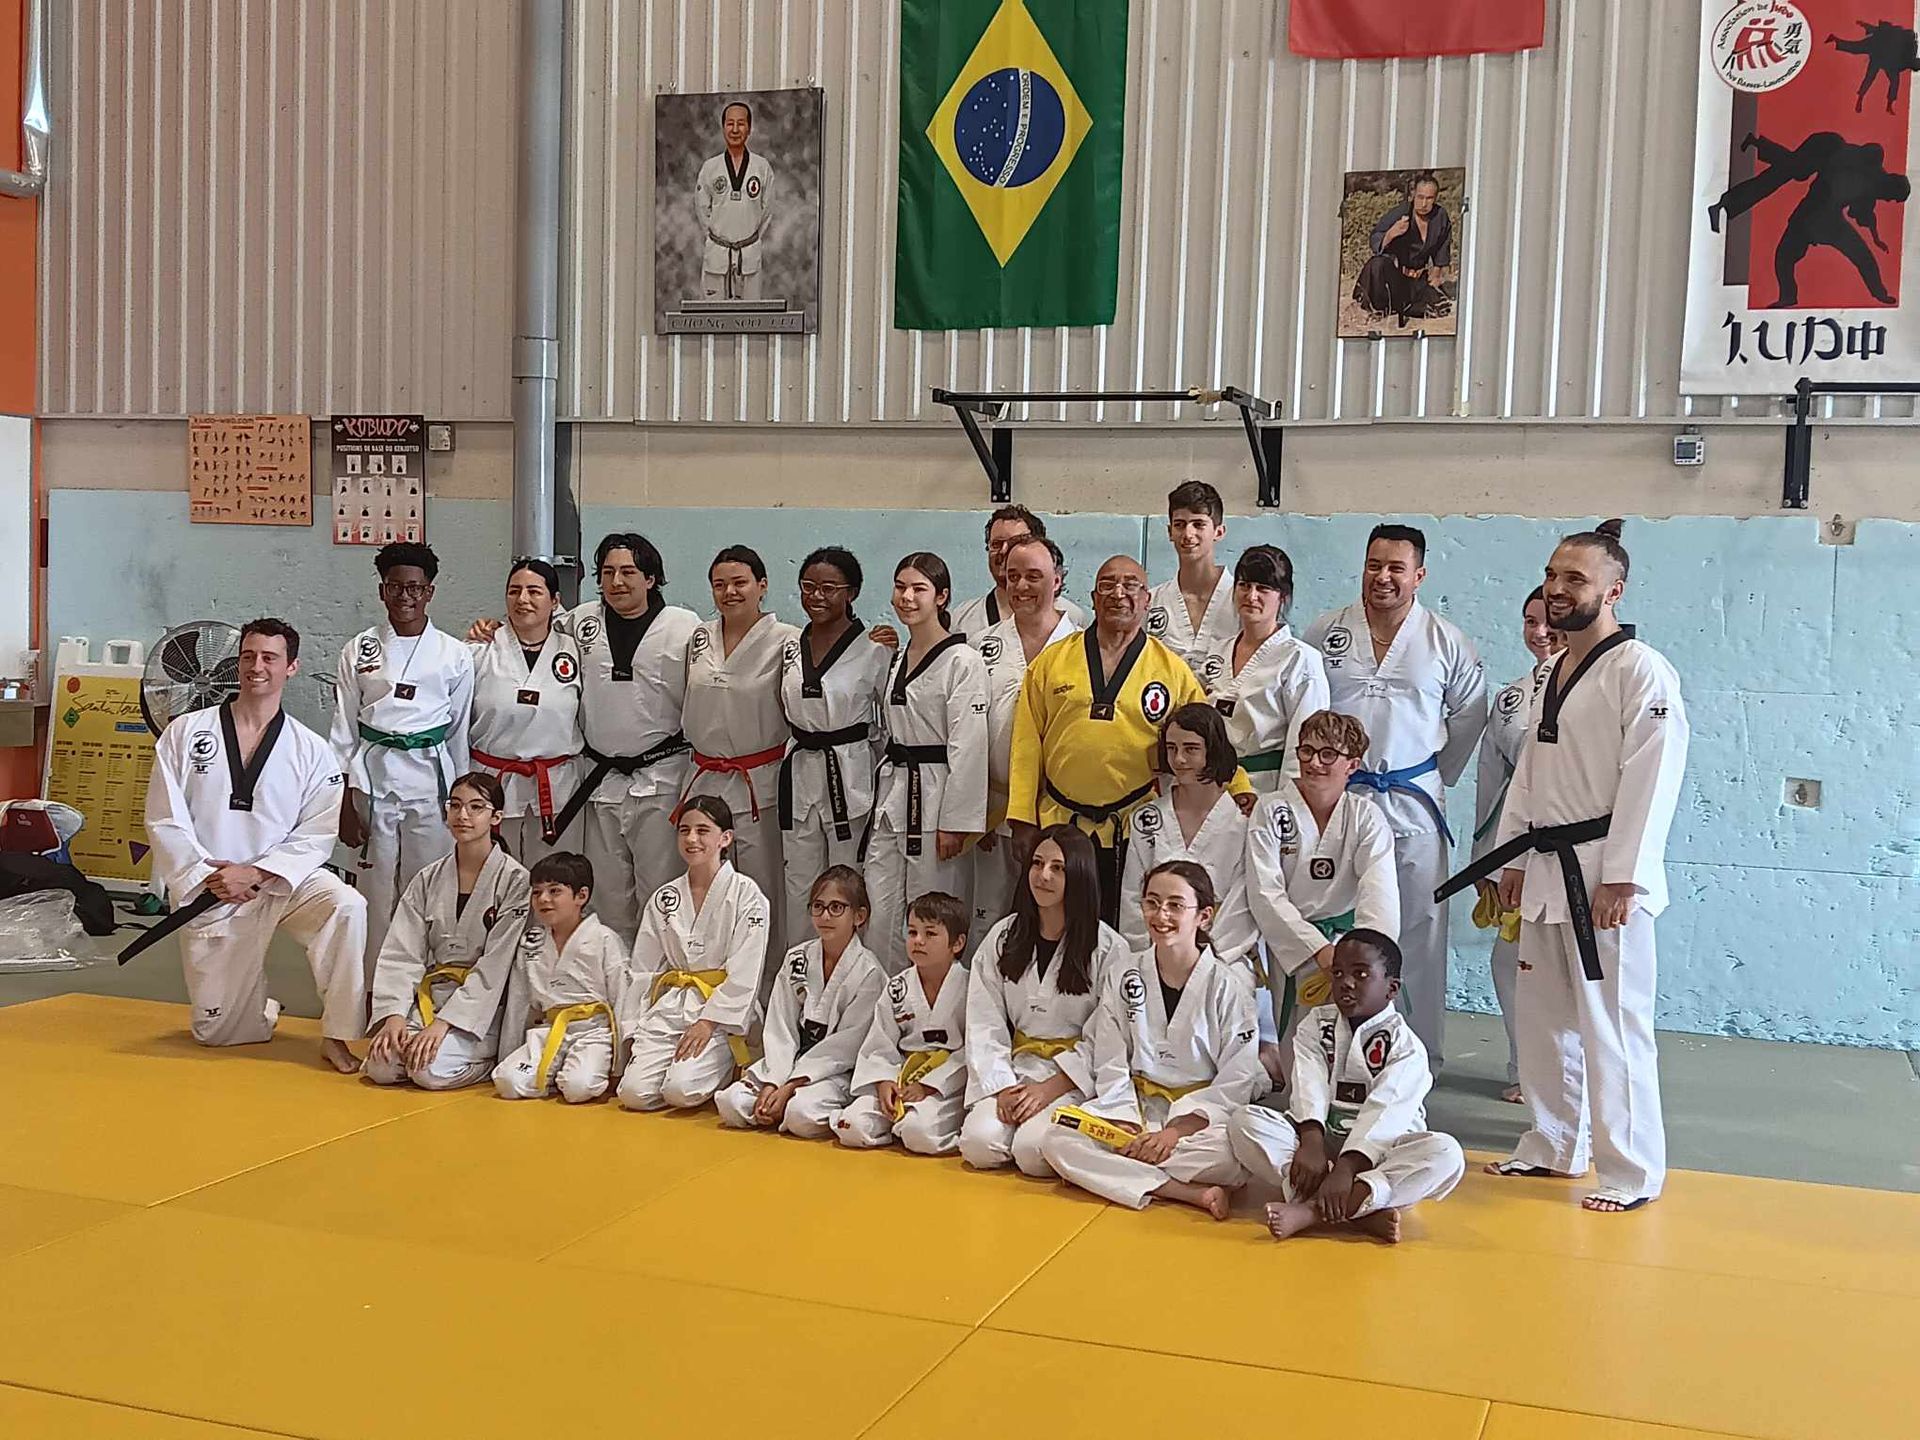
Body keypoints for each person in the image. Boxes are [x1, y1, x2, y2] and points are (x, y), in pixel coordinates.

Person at [1441, 521, 1689, 1214]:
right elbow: (1531, 772)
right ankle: (1554, 1143)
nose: (1557, 589)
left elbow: (1654, 778)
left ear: (1613, 590)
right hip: (1547, 867)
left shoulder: (1641, 670)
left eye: (1573, 579)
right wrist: (1512, 854)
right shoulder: (1552, 670)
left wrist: (1625, 876)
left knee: (1612, 1022)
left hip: (1603, 873)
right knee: (1543, 1013)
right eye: (1552, 576)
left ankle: (1633, 1171)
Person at [144, 617, 366, 1072]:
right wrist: (207, 875)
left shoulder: (311, 749)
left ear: (292, 668)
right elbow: (165, 817)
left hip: (282, 882)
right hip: (214, 888)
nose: (256, 667)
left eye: (269, 658)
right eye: (248, 656)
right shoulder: (186, 733)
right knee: (218, 1034)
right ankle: (259, 1009)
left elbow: (317, 831)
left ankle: (339, 1033)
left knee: (347, 906)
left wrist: (259, 872)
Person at [1303, 524, 1486, 1065]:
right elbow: (1308, 710)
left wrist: (1432, 773)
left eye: (1395, 568)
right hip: (1342, 801)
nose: (1382, 577)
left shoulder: (1445, 640)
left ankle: (1419, 1055)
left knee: (1421, 931)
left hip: (1412, 798)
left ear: (1419, 575)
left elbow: (1470, 715)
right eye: (1373, 565)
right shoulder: (1326, 631)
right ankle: (1337, 1050)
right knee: (1339, 922)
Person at [1008, 554, 1226, 924]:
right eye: (1107, 585)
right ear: (1093, 598)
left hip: (1133, 824)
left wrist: (1238, 789)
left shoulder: (1171, 669)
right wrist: (1022, 818)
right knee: (1046, 927)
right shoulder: (1053, 661)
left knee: (1124, 931)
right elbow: (1027, 744)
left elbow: (1207, 736)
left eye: (1130, 585)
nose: (1118, 593)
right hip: (1060, 821)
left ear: (1147, 600)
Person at [1042, 861, 1264, 1219]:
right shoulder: (1124, 973)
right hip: (1135, 1111)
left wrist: (1175, 1132)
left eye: (1176, 905)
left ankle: (1127, 1175)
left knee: (1230, 1158)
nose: (1161, 915)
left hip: (1194, 1124)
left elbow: (1235, 1084)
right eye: (1152, 902)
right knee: (1058, 1140)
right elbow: (1110, 1059)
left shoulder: (1229, 987)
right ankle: (1183, 1192)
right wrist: (1123, 1117)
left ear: (1204, 916)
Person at [1229, 929, 1464, 1243]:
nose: (1346, 983)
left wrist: (1346, 1168)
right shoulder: (1316, 1023)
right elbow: (1306, 1082)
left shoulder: (1406, 1048)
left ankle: (1312, 1211)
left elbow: (1386, 1112)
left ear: (1391, 988)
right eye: (1337, 973)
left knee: (1446, 1154)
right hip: (1320, 1147)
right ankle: (1363, 1212)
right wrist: (1311, 1139)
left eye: (1361, 974)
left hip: (1380, 1154)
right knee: (1244, 1121)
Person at [332, 541, 474, 974]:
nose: (405, 597)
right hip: (371, 779)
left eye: (414, 588)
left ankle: (424, 979)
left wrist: (462, 801)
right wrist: (341, 800)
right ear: (382, 592)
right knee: (374, 890)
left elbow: (458, 733)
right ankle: (373, 984)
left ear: (429, 592)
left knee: (428, 885)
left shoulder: (454, 654)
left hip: (430, 782)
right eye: (396, 588)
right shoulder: (359, 650)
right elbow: (342, 729)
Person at [959, 826, 1130, 1175]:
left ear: (1079, 874)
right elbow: (984, 1019)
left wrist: (1051, 1088)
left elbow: (1108, 1034)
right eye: (1037, 864)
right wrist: (1003, 1087)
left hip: (1071, 1077)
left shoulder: (1109, 947)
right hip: (1017, 1071)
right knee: (978, 1145)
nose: (1044, 875)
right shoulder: (1005, 936)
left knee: (1033, 1153)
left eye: (1058, 867)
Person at [1245, 710, 1401, 1080]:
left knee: (1356, 1040)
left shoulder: (1366, 817)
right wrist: (1319, 951)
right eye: (1307, 751)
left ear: (1352, 764)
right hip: (1297, 947)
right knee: (1299, 1040)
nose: (1314, 762)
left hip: (1351, 944)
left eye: (1328, 754)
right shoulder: (1271, 810)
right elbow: (1265, 892)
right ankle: (1303, 1119)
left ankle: (1351, 1112)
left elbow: (1379, 891)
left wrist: (1363, 958)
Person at [364, 772, 532, 1090]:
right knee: (381, 1067)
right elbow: (402, 951)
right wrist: (395, 1015)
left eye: (476, 807)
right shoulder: (428, 878)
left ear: (496, 817)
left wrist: (444, 1024)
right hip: (432, 997)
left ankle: (485, 1063)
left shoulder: (515, 881)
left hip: (481, 1011)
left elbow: (495, 968)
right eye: (455, 806)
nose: (463, 815)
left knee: (426, 1072)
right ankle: (425, 1041)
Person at [865, 552, 989, 971]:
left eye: (919, 588)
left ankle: (932, 1004)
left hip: (936, 798)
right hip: (894, 792)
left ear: (942, 597)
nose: (907, 597)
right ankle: (886, 1000)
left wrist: (957, 822)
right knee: (881, 909)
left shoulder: (963, 662)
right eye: (901, 587)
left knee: (932, 912)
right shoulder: (898, 656)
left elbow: (969, 747)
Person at [617, 796, 774, 1112]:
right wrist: (633, 1027)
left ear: (725, 838)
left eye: (703, 830)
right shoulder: (665, 897)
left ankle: (726, 1057)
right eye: (684, 830)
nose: (691, 839)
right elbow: (642, 970)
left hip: (718, 1011)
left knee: (680, 1091)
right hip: (672, 1006)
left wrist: (709, 1022)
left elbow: (746, 970)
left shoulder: (747, 895)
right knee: (633, 1094)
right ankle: (672, 1061)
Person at [680, 545, 799, 958]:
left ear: (762, 586)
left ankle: (764, 990)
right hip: (704, 778)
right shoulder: (698, 638)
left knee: (762, 893)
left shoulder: (787, 641)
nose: (729, 592)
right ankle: (706, 981)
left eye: (739, 583)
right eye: (719, 584)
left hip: (758, 782)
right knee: (705, 886)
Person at [1471, 586, 1564, 1103]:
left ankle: (1565, 1072)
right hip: (1515, 848)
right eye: (1530, 621)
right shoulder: (1510, 699)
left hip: (1570, 846)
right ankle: (1523, 1066)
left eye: (1547, 621)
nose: (1540, 632)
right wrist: (1484, 859)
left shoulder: (1594, 688)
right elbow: (1491, 782)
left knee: (1562, 965)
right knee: (1510, 961)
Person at [713, 865, 886, 1136]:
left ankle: (794, 1107)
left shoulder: (869, 972)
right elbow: (780, 1025)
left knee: (800, 1114)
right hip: (789, 1063)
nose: (825, 916)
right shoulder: (798, 958)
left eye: (837, 908)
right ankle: (773, 1104)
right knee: (730, 1102)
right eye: (818, 906)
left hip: (835, 1071)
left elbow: (845, 1047)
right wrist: (773, 1081)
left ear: (859, 915)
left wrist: (791, 1086)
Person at [777, 547, 890, 943]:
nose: (817, 596)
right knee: (799, 888)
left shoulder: (876, 647)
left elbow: (889, 724)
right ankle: (799, 976)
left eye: (829, 588)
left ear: (852, 592)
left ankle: (851, 980)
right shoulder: (791, 646)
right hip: (800, 771)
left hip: (849, 775)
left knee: (847, 885)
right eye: (808, 587)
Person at [973, 536, 1081, 934]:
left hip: (1060, 806)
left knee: (1055, 918)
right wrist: (974, 811)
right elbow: (968, 738)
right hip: (994, 805)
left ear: (1057, 580)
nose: (1020, 586)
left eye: (1033, 576)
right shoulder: (983, 646)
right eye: (1012, 576)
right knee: (990, 916)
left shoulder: (1082, 646)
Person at [832, 891, 972, 1154]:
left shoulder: (970, 988)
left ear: (957, 943)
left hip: (946, 1085)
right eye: (912, 932)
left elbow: (974, 1050)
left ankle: (923, 1126)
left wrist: (928, 1085)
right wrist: (884, 1081)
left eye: (930, 934)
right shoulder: (898, 987)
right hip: (901, 1077)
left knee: (918, 1134)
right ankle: (895, 1125)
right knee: (850, 1125)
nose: (918, 941)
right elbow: (880, 1043)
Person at [1118, 704, 1255, 968]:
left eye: (1191, 749)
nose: (1179, 759)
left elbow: (1242, 906)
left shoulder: (1243, 823)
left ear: (1213, 750)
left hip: (1224, 959)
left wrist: (1204, 960)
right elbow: (1132, 900)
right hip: (1154, 956)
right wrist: (1142, 961)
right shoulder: (1147, 819)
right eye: (1172, 748)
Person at [466, 558, 584, 865]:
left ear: (555, 600)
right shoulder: (479, 651)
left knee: (554, 879)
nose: (523, 599)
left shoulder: (576, 652)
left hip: (557, 787)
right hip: (491, 783)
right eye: (514, 591)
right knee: (490, 877)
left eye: (534, 591)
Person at [1706, 132, 1910, 307]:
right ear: (1889, 183)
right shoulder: (1867, 161)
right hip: (1810, 212)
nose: (1888, 200)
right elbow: (1856, 157)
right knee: (1784, 256)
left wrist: (1876, 238)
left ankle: (1879, 293)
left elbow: (1865, 216)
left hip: (1830, 222)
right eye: (1891, 197)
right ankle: (1788, 295)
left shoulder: (1869, 193)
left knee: (1862, 257)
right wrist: (1832, 166)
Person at [491, 851, 629, 1103]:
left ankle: (570, 1073)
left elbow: (622, 1002)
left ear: (581, 896)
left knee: (579, 1088)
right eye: (536, 892)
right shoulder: (531, 942)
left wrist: (621, 1066)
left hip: (593, 1033)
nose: (543, 899)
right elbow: (520, 1003)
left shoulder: (604, 939)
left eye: (554, 891)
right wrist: (509, 1052)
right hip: (547, 1030)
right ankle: (555, 1072)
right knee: (508, 1082)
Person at [1195, 544, 1329, 789]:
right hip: (1212, 785)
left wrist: (1286, 805)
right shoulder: (1218, 652)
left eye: (1263, 588)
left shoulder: (1300, 659)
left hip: (1264, 787)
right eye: (1244, 585)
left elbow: (1306, 744)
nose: (1251, 595)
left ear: (1283, 597)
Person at [949, 505, 1086, 641]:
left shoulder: (1071, 617)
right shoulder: (962, 619)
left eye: (1015, 542)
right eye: (996, 544)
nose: (1004, 551)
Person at [1144, 481, 1237, 671]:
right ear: (1170, 532)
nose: (1188, 534)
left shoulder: (1243, 599)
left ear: (1219, 532)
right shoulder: (1152, 600)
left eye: (1199, 524)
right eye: (1180, 525)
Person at [695, 100, 773, 302]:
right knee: (712, 321)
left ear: (749, 128)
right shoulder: (710, 168)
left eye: (741, 123)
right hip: (717, 254)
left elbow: (767, 212)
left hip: (749, 255)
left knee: (750, 320)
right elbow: (702, 210)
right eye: (730, 124)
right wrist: (720, 237)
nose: (735, 129)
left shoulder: (761, 167)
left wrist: (747, 239)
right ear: (723, 128)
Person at [1353, 172, 1454, 326]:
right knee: (1377, 264)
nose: (1424, 203)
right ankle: (1376, 307)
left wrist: (1436, 273)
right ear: (1413, 195)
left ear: (1436, 198)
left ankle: (1404, 307)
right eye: (1420, 197)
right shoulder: (1401, 213)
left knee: (1439, 308)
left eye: (1429, 198)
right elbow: (1375, 239)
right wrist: (1391, 234)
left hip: (1418, 279)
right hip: (1396, 276)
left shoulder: (1440, 216)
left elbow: (1442, 245)